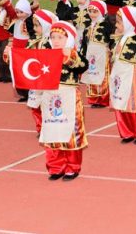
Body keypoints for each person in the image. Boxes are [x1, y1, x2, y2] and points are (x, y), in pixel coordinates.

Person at [41, 21, 88, 181]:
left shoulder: (73, 54)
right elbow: (28, 64)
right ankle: (55, 167)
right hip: (49, 97)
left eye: (60, 37)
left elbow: (83, 66)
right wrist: (11, 53)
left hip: (69, 98)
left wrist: (69, 55)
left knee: (70, 132)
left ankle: (72, 167)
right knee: (52, 130)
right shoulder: (45, 54)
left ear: (68, 39)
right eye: (53, 37)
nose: (55, 40)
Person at [110, 7, 136, 144]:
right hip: (118, 74)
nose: (116, 25)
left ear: (129, 23)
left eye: (119, 22)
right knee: (120, 102)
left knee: (133, 104)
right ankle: (126, 132)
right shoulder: (120, 38)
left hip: (131, 74)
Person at [81, 0, 114, 108]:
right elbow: (85, 43)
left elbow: (112, 40)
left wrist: (112, 50)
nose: (91, 14)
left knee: (103, 76)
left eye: (95, 12)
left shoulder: (106, 25)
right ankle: (94, 98)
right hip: (91, 55)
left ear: (101, 12)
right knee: (92, 75)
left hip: (102, 54)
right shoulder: (88, 27)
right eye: (89, 11)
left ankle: (103, 99)